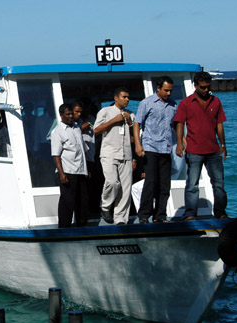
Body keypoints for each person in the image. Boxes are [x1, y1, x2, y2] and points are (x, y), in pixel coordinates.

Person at [174, 71, 228, 221]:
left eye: (207, 87)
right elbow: (179, 124)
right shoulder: (185, 103)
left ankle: (220, 213)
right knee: (192, 184)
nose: (206, 90)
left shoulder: (216, 101)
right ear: (195, 86)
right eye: (203, 87)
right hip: (194, 151)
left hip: (213, 150)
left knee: (219, 184)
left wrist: (223, 144)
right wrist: (179, 144)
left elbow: (219, 125)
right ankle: (190, 214)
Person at [133, 76, 177, 223]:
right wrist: (138, 145)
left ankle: (160, 215)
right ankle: (144, 215)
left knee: (165, 184)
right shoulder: (147, 103)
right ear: (158, 88)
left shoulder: (173, 105)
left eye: (170, 90)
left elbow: (175, 125)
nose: (169, 93)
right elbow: (137, 123)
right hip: (150, 147)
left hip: (166, 148)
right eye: (166, 90)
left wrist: (182, 142)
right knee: (150, 182)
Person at [94, 88, 135, 225]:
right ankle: (105, 206)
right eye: (124, 97)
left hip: (126, 153)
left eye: (128, 97)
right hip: (109, 152)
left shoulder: (131, 114)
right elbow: (96, 130)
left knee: (125, 188)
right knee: (112, 182)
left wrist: (129, 121)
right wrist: (114, 120)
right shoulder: (105, 111)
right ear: (116, 98)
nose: (127, 99)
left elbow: (134, 133)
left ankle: (120, 219)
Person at [51, 103, 89, 228]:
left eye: (72, 114)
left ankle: (82, 225)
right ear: (61, 115)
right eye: (68, 114)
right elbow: (56, 155)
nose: (71, 116)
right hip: (68, 170)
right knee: (67, 201)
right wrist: (61, 174)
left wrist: (87, 168)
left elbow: (82, 150)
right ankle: (64, 227)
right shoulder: (58, 132)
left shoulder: (77, 128)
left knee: (82, 201)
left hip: (81, 170)